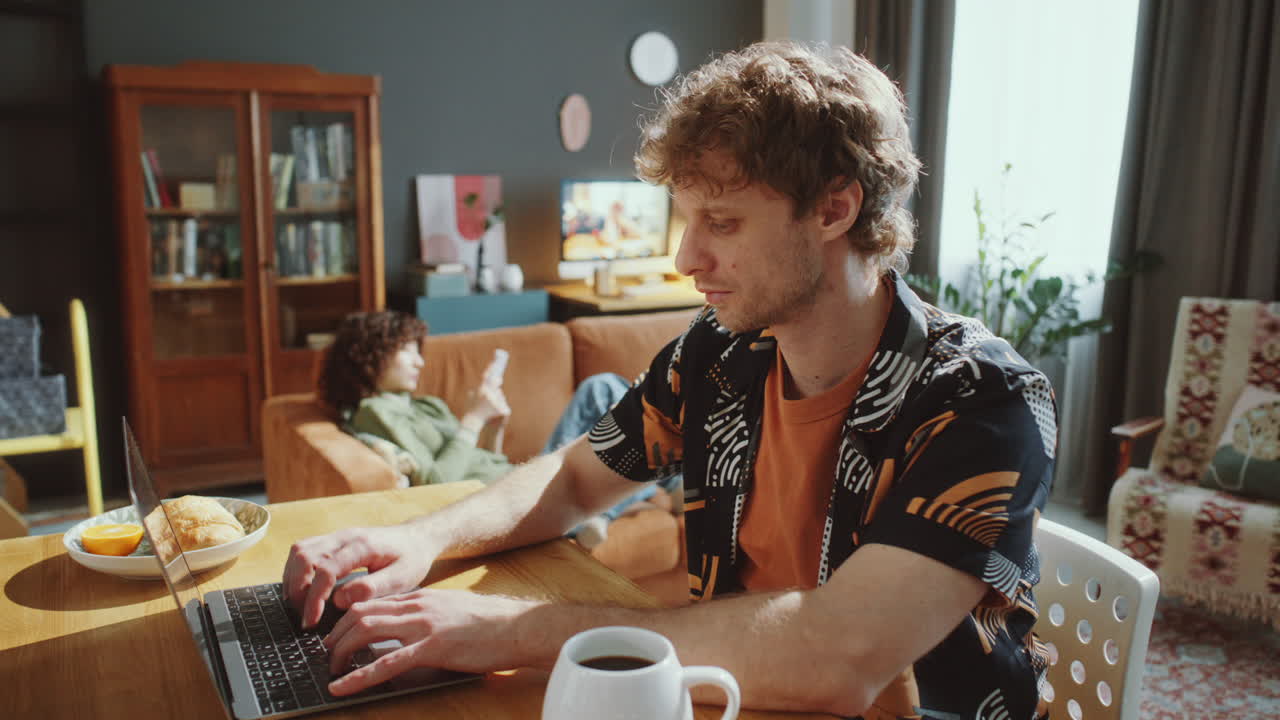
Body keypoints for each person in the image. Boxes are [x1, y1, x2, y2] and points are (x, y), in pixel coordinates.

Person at [284, 41, 1056, 719]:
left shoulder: (982, 401)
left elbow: (841, 658)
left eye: (721, 222)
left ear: (834, 209)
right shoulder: (721, 352)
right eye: (686, 220)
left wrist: (507, 631)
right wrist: (417, 539)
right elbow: (575, 479)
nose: (687, 259)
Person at [317, 310, 669, 546]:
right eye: (406, 352)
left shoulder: (425, 405)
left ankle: (635, 496)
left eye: (417, 352)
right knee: (604, 391)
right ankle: (657, 486)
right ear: (371, 355)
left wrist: (492, 425)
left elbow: (484, 460)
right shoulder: (375, 413)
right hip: (506, 499)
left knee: (602, 391)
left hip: (516, 477)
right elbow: (437, 482)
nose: (419, 362)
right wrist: (473, 418)